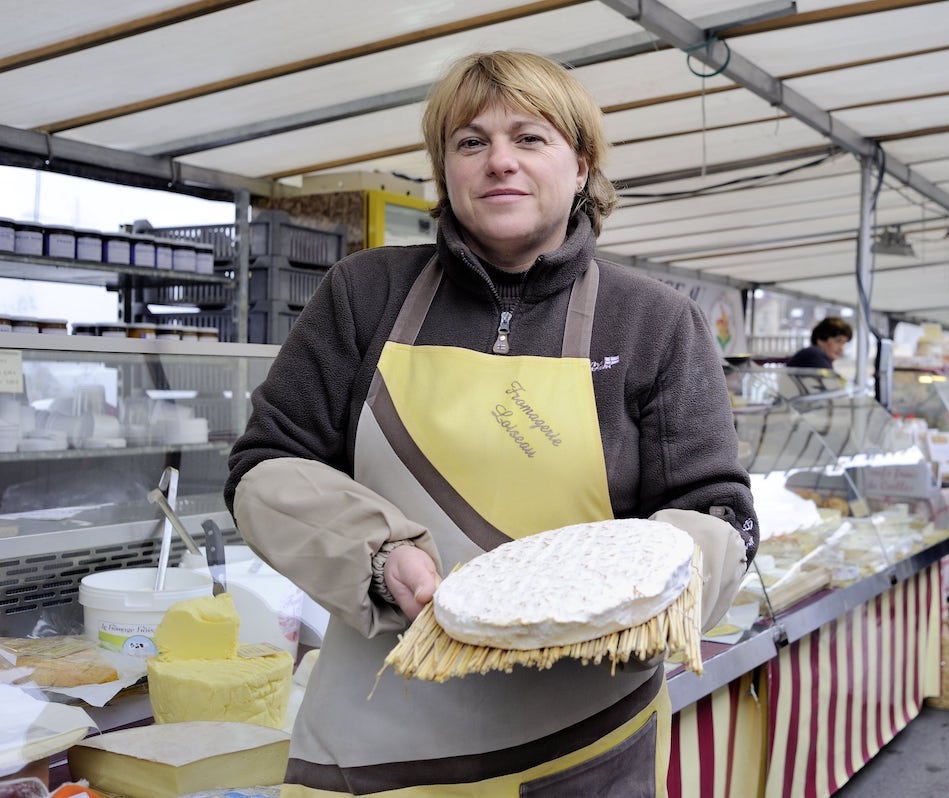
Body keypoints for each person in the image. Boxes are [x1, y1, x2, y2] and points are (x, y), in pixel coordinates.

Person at [224, 51, 757, 796]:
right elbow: (267, 469)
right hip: (378, 735)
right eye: (471, 142)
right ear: (446, 172)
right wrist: (378, 558)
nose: (498, 161)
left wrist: (636, 590)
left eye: (529, 138)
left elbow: (718, 510)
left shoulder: (655, 322)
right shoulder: (365, 293)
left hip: (584, 740)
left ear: (581, 166)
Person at [786, 316, 852, 369]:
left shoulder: (818, 357)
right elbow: (831, 384)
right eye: (838, 341)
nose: (842, 348)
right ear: (821, 340)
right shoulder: (814, 354)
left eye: (844, 343)